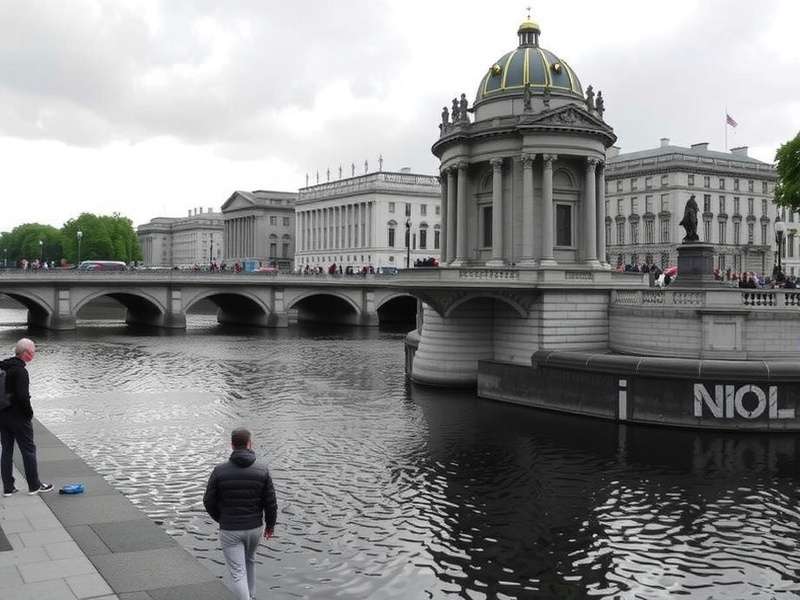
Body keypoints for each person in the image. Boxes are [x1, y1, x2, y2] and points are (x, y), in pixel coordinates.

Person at [204, 428, 277, 600]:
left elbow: (208, 501)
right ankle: (251, 596)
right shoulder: (262, 470)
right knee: (250, 561)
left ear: (232, 445)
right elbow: (271, 503)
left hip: (230, 529)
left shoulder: (219, 471)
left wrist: (221, 518)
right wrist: (270, 526)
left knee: (237, 572)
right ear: (249, 444)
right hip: (255, 528)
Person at [0, 338, 53, 496]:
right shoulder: (21, 371)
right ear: (25, 353)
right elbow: (23, 397)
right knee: (28, 450)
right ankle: (34, 485)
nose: (33, 355)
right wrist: (29, 413)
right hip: (18, 417)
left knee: (7, 451)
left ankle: (8, 488)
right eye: (32, 352)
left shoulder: (3, 367)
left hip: (2, 415)